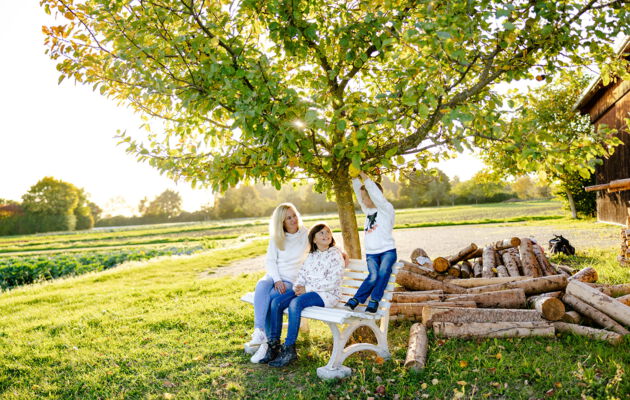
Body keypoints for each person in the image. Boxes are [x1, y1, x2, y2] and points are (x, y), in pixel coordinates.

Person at [258, 223, 345, 367]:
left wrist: (307, 289)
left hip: (327, 295)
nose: (326, 235)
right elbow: (302, 274)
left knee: (295, 303)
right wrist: (298, 287)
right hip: (308, 291)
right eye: (321, 233)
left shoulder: (335, 254)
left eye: (328, 232)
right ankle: (273, 346)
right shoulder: (311, 255)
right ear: (314, 239)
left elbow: (333, 281)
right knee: (277, 303)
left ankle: (290, 349)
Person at [246, 203, 309, 363]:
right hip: (275, 277)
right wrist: (276, 279)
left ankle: (268, 345)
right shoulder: (277, 238)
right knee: (261, 285)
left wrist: (341, 253)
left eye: (294, 215)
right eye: (289, 218)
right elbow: (270, 261)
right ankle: (260, 331)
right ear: (282, 222)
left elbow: (324, 244)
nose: (293, 219)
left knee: (271, 299)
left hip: (291, 281)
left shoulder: (306, 235)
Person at [344, 170, 397, 313]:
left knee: (383, 272)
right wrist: (354, 178)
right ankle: (356, 299)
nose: (362, 201)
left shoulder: (386, 209)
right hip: (372, 254)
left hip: (387, 251)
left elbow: (375, 194)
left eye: (365, 198)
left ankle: (374, 300)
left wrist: (363, 176)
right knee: (373, 276)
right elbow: (358, 195)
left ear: (374, 197)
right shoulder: (368, 211)